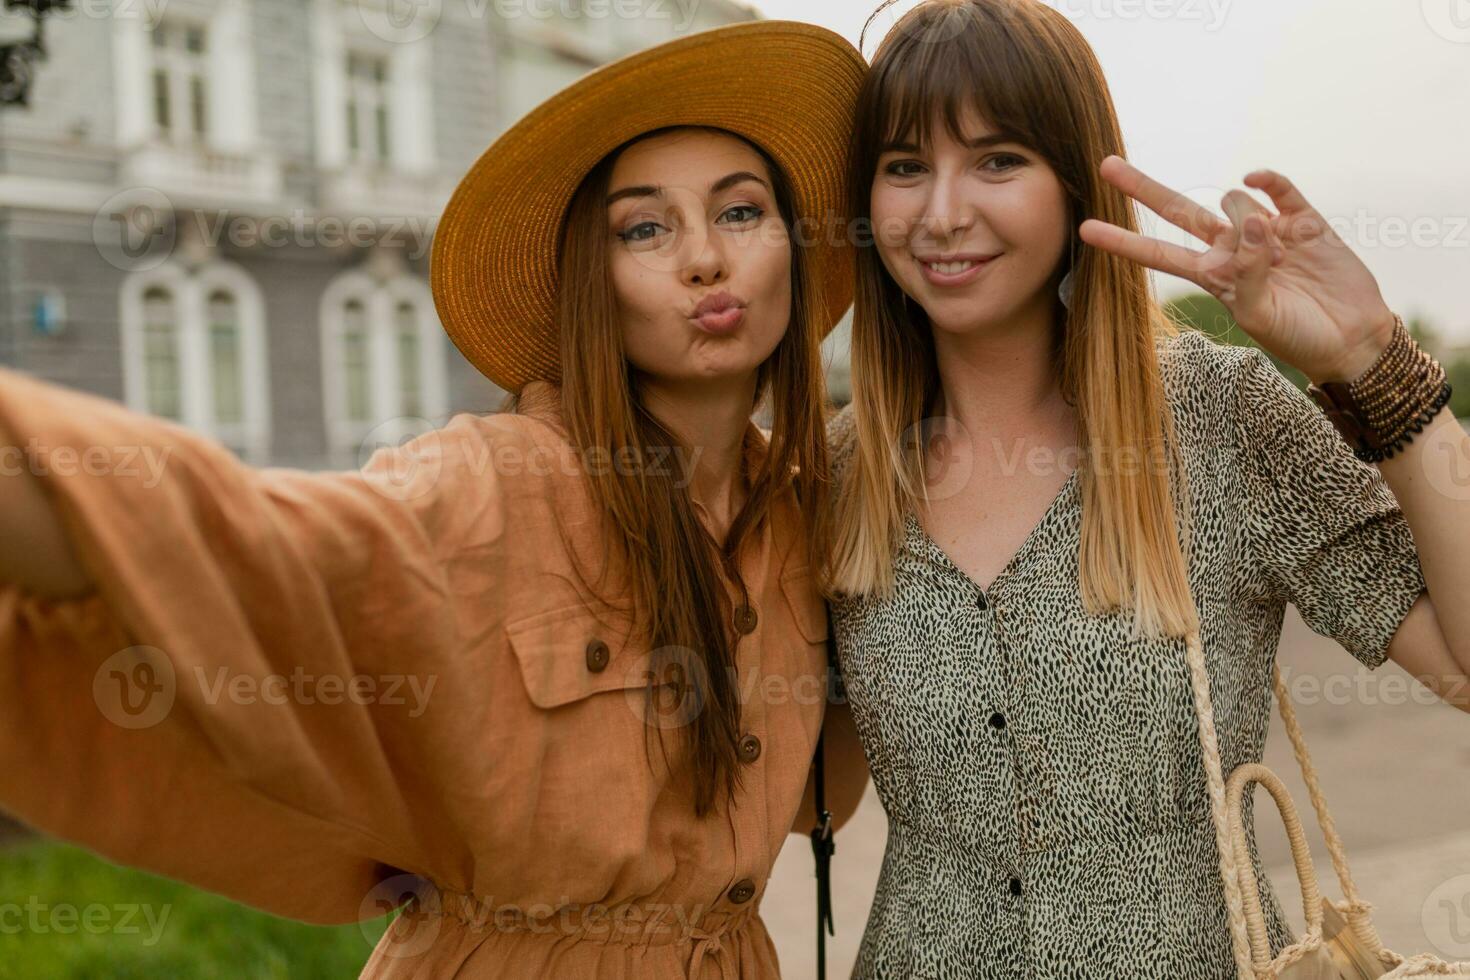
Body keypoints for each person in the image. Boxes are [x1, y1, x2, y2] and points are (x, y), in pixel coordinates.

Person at [0, 21, 871, 979]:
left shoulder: (807, 516)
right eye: (645, 229)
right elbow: (243, 545)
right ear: (593, 278)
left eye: (741, 213)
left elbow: (822, 789)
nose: (705, 259)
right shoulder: (490, 483)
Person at [823, 1, 1470, 977]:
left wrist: (1379, 364)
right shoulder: (834, 472)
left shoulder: (1223, 415)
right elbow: (795, 795)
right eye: (905, 166)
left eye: (998, 159)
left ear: (1076, 181)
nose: (943, 211)